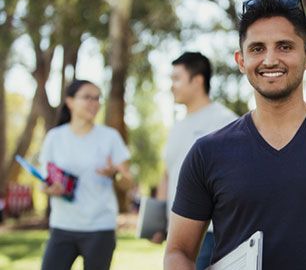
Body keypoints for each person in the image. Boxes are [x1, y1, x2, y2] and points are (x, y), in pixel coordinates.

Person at [164, 0, 306, 270]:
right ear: (241, 60)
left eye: (284, 47)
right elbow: (179, 252)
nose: (270, 59)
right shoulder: (206, 152)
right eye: (257, 49)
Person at [153, 52, 237, 270]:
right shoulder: (177, 126)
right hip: (177, 236)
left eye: (176, 79)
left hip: (208, 234)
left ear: (197, 80)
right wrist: (158, 222)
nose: (172, 86)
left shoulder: (224, 121)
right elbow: (167, 172)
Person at [39, 80, 133, 270]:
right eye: (87, 97)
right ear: (70, 102)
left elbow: (128, 182)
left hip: (100, 227)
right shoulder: (54, 138)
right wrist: (52, 189)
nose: (94, 102)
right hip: (62, 226)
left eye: (97, 98)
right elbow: (43, 183)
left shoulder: (110, 137)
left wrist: (114, 174)